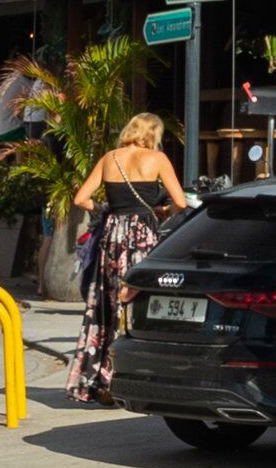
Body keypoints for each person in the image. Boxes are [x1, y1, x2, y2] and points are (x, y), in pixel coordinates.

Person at [65, 112, 188, 405]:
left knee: (108, 304)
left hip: (112, 236)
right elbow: (181, 202)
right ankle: (126, 377)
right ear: (153, 134)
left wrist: (106, 208)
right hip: (141, 235)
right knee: (134, 303)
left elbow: (81, 198)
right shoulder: (157, 159)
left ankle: (100, 378)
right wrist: (160, 214)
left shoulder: (110, 158)